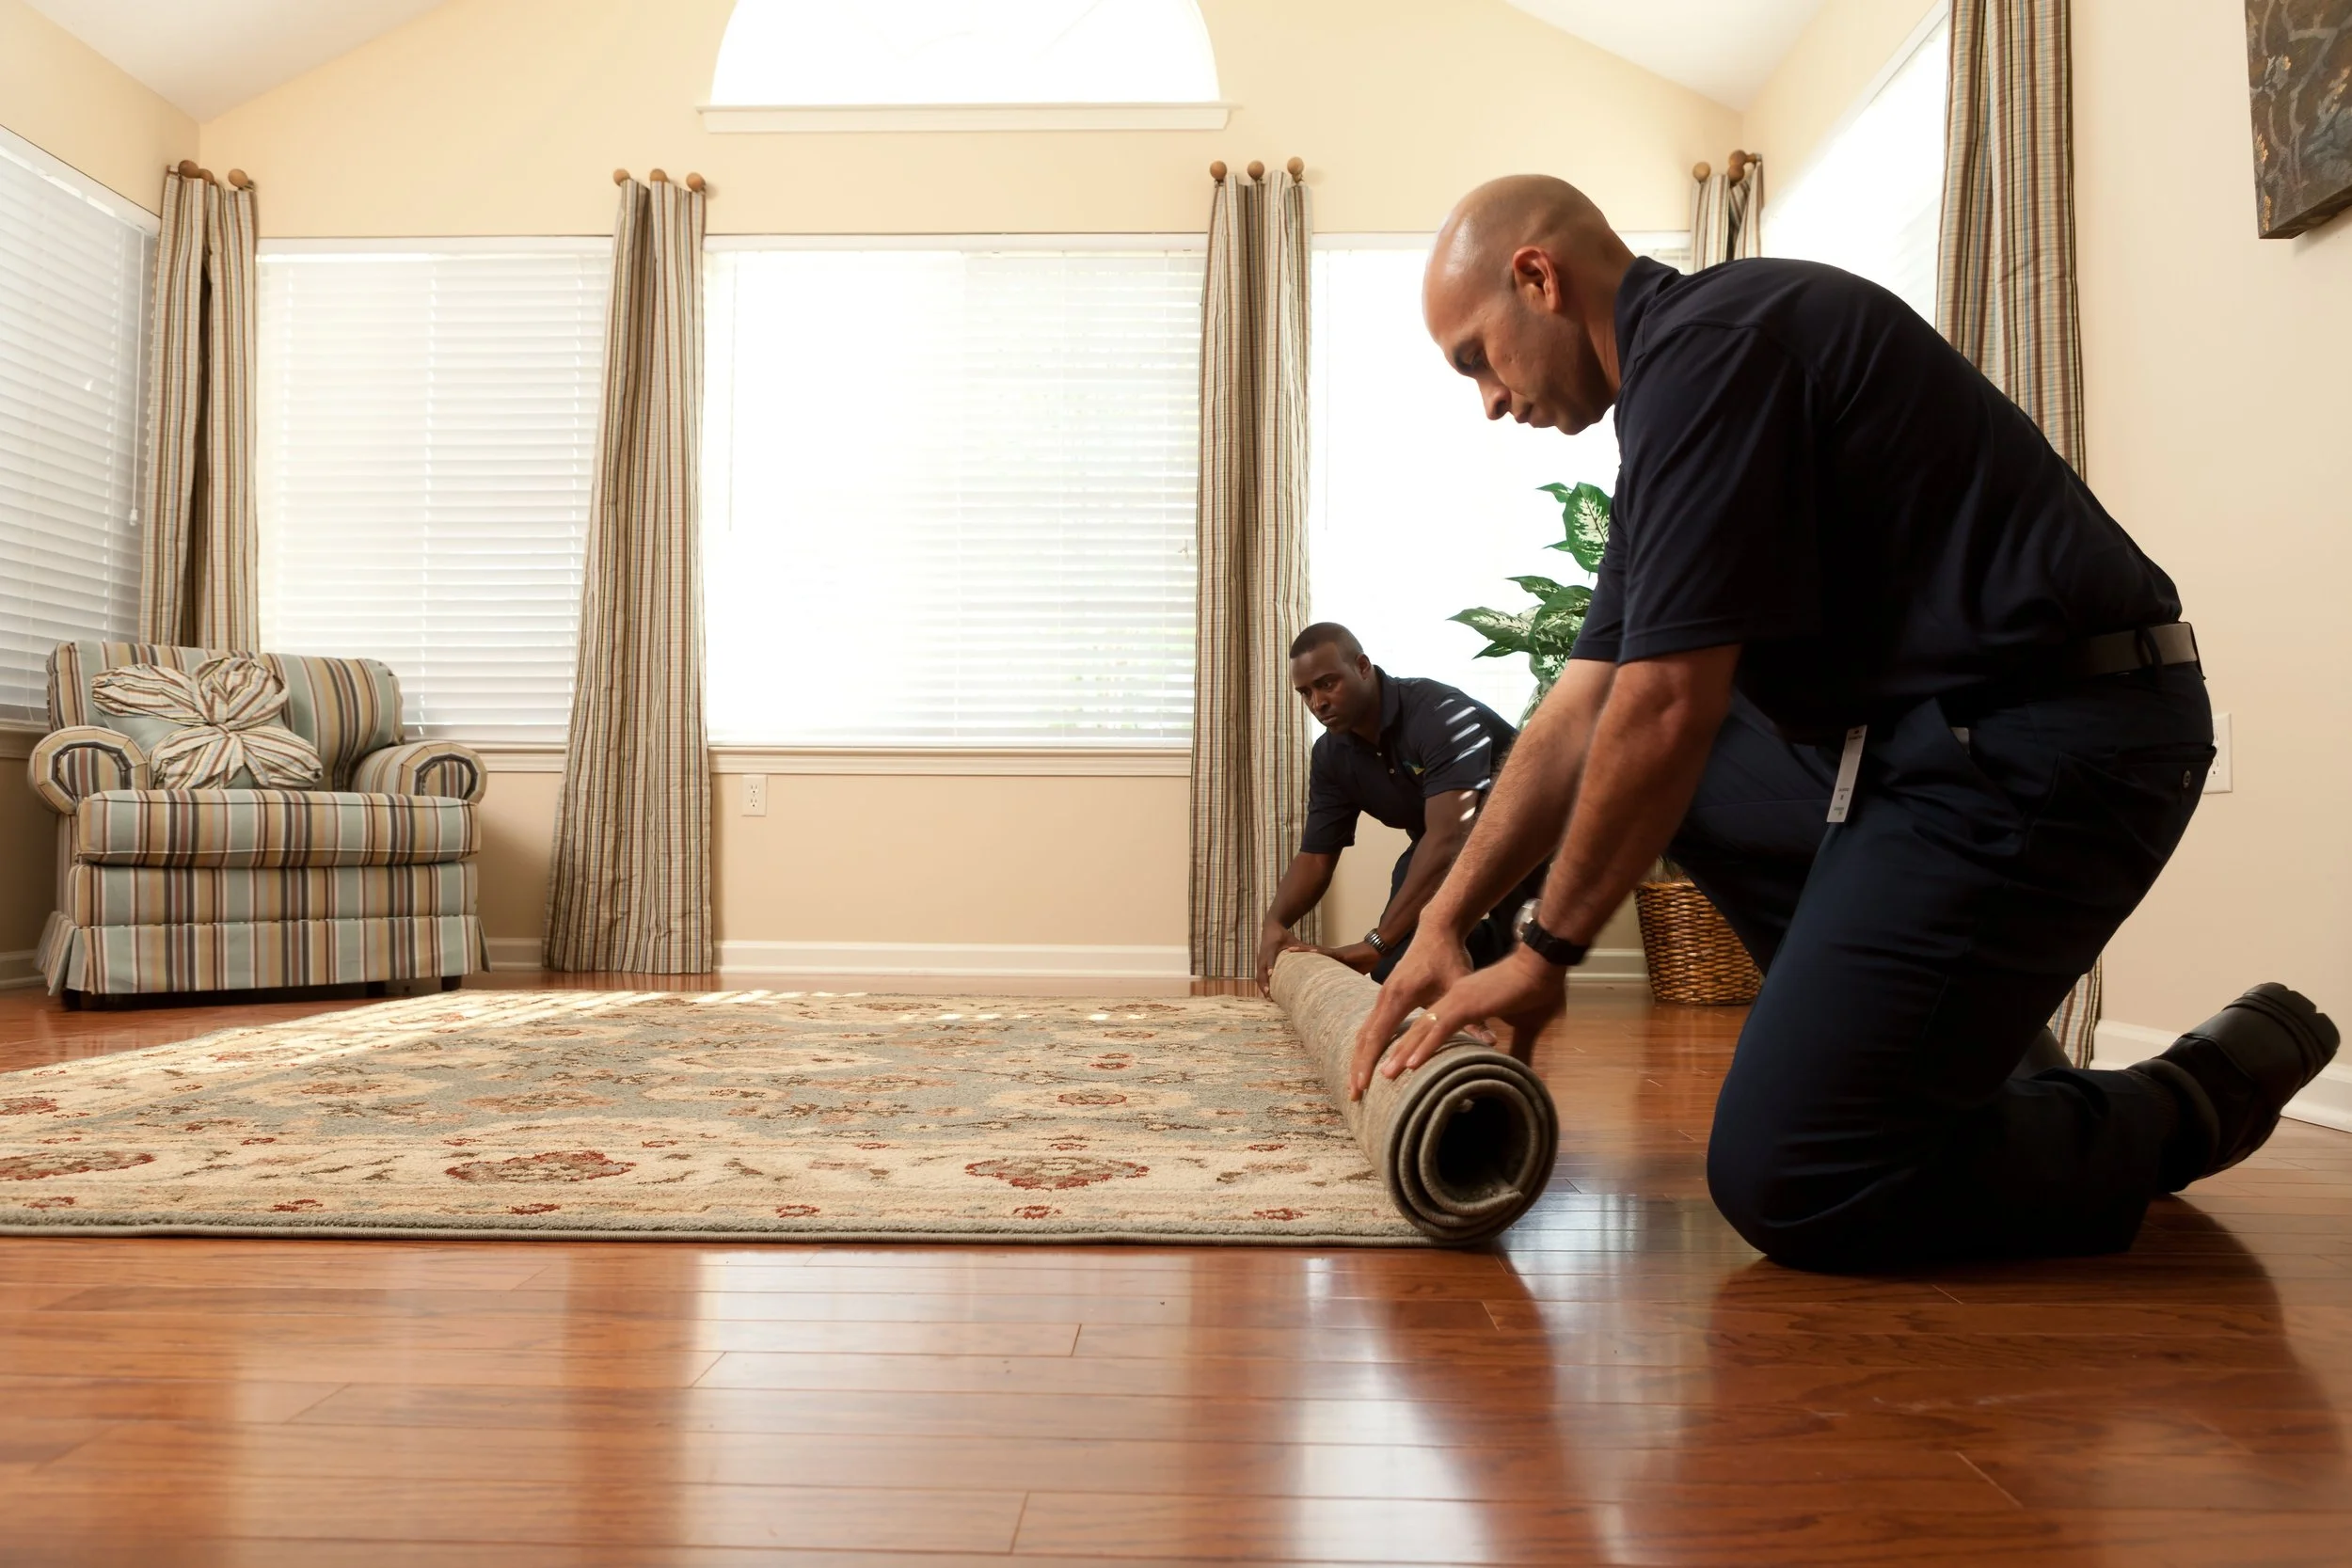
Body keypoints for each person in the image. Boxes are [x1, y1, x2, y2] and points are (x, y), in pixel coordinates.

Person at [1348, 174, 2338, 1270]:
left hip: (2062, 736)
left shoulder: (1718, 353)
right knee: (1701, 776)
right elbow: (1583, 708)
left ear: (1538, 277)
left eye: (1476, 356)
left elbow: (1669, 703)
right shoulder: (1677, 407)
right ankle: (1977, 1079)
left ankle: (2187, 1099)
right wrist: (1446, 918)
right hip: (1939, 746)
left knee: (1795, 1175)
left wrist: (1545, 952)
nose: (1487, 398)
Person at [1254, 623, 1544, 993]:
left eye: (1327, 683)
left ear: (1362, 666)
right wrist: (1274, 924)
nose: (1317, 703)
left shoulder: (1438, 714)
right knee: (1395, 970)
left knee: (1524, 969)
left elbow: (1450, 837)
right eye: (1305, 693)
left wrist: (1375, 943)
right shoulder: (1330, 755)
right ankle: (1463, 954)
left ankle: (1487, 952)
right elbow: (1316, 857)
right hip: (1440, 840)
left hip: (1526, 836)